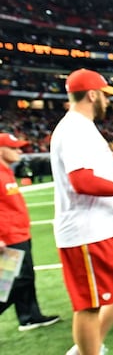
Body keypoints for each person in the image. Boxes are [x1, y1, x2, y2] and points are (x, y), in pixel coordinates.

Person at [50, 68, 113, 355]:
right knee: (89, 304)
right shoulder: (74, 128)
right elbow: (82, 181)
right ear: (92, 94)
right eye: (104, 94)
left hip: (107, 226)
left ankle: (87, 346)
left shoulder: (83, 126)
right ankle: (87, 351)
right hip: (86, 231)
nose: (107, 101)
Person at [0, 133, 60, 332]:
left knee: (17, 279)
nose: (20, 152)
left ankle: (29, 317)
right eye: (14, 148)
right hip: (9, 237)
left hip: (18, 233)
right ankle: (29, 316)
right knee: (16, 281)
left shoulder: (6, 172)